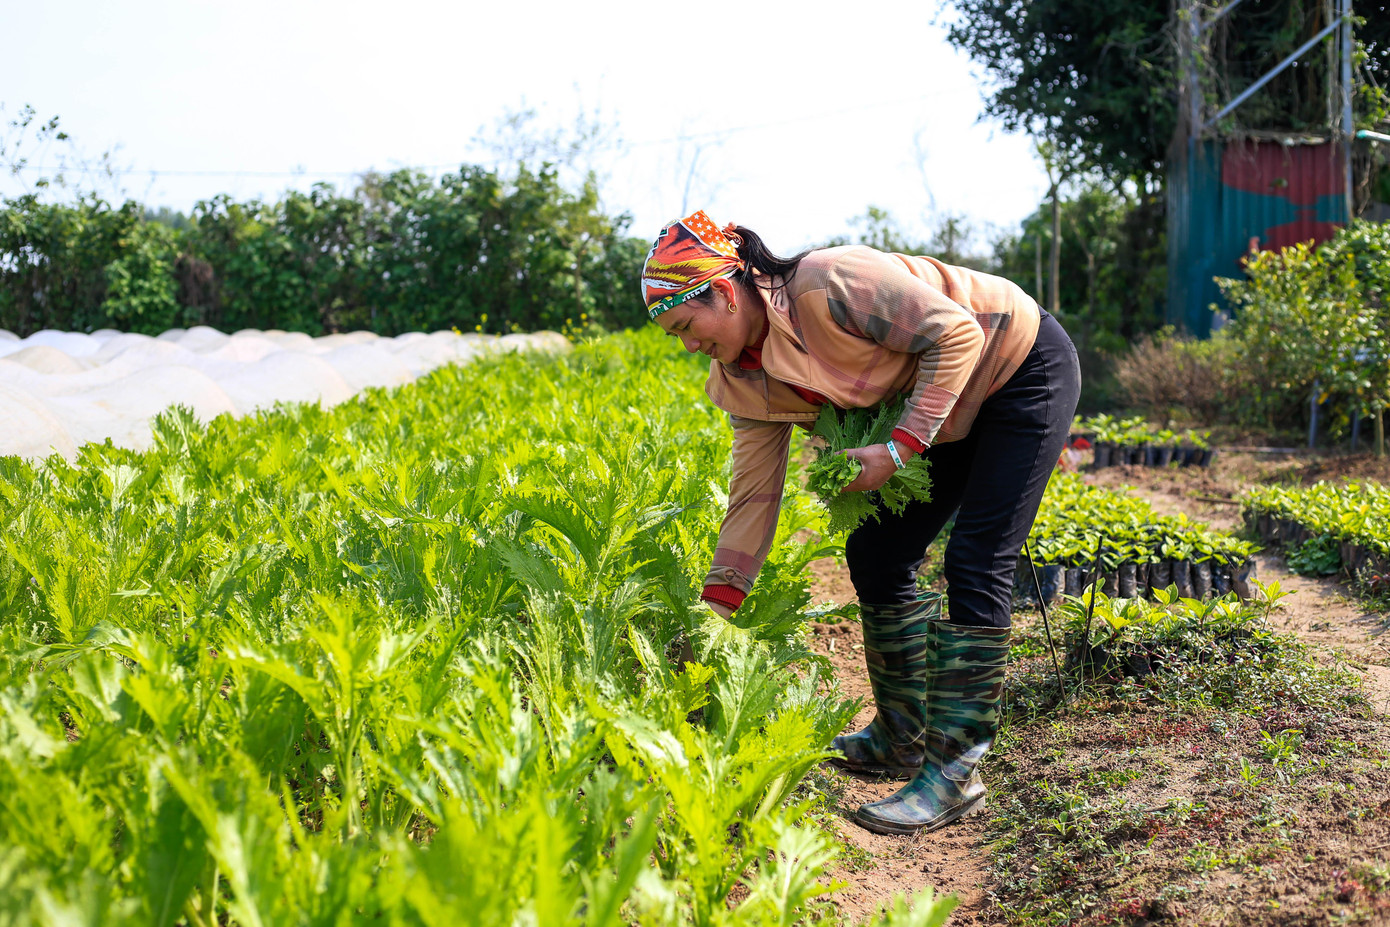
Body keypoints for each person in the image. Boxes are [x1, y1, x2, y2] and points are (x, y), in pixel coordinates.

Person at [642, 210, 1081, 836]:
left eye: (688, 325)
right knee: (877, 551)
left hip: (1014, 366)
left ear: (723, 289)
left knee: (977, 557)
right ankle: (901, 738)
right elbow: (754, 499)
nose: (688, 344)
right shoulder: (743, 376)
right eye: (674, 336)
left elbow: (957, 336)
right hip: (942, 406)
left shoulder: (828, 283)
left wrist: (898, 449)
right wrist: (713, 613)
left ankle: (955, 773)